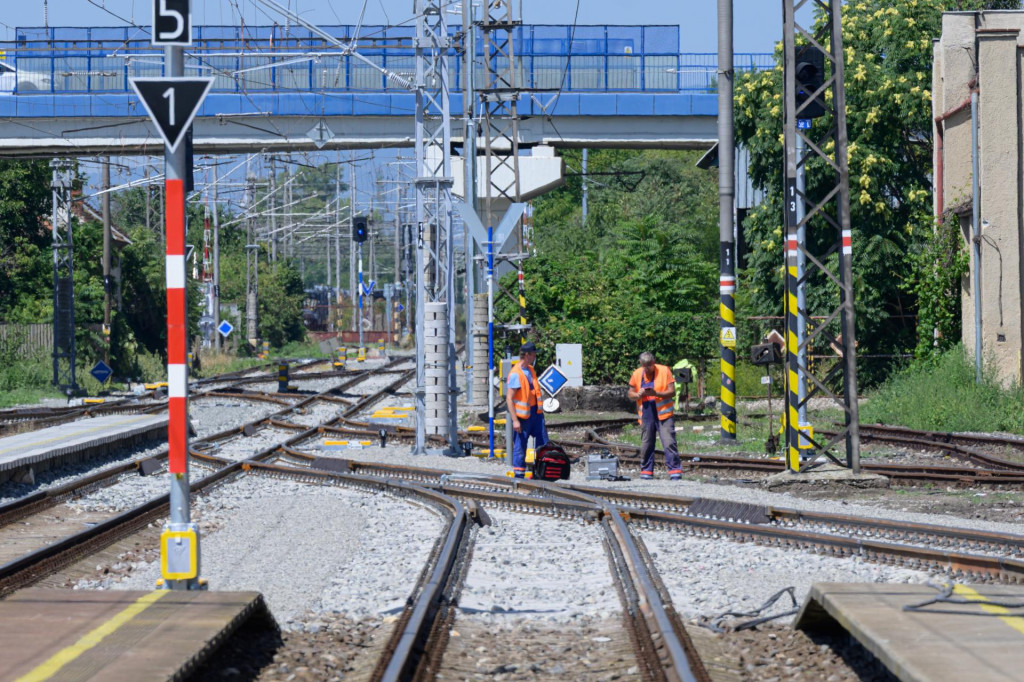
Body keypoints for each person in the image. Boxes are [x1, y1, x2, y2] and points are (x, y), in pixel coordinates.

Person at [627, 351, 683, 480]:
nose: (647, 368)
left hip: (664, 414)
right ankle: (646, 471)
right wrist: (637, 395)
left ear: (654, 362)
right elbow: (630, 393)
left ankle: (674, 471)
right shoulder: (636, 374)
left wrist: (656, 393)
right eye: (644, 366)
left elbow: (672, 391)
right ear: (641, 364)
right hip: (646, 414)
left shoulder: (664, 370)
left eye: (649, 365)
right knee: (646, 443)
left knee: (669, 442)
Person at [506, 341, 549, 478]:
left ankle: (541, 473)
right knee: (520, 447)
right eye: (534, 354)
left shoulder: (530, 369)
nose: (535, 356)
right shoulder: (515, 374)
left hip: (536, 414)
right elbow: (509, 399)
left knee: (543, 444)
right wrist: (515, 421)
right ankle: (519, 477)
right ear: (527, 355)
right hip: (523, 418)